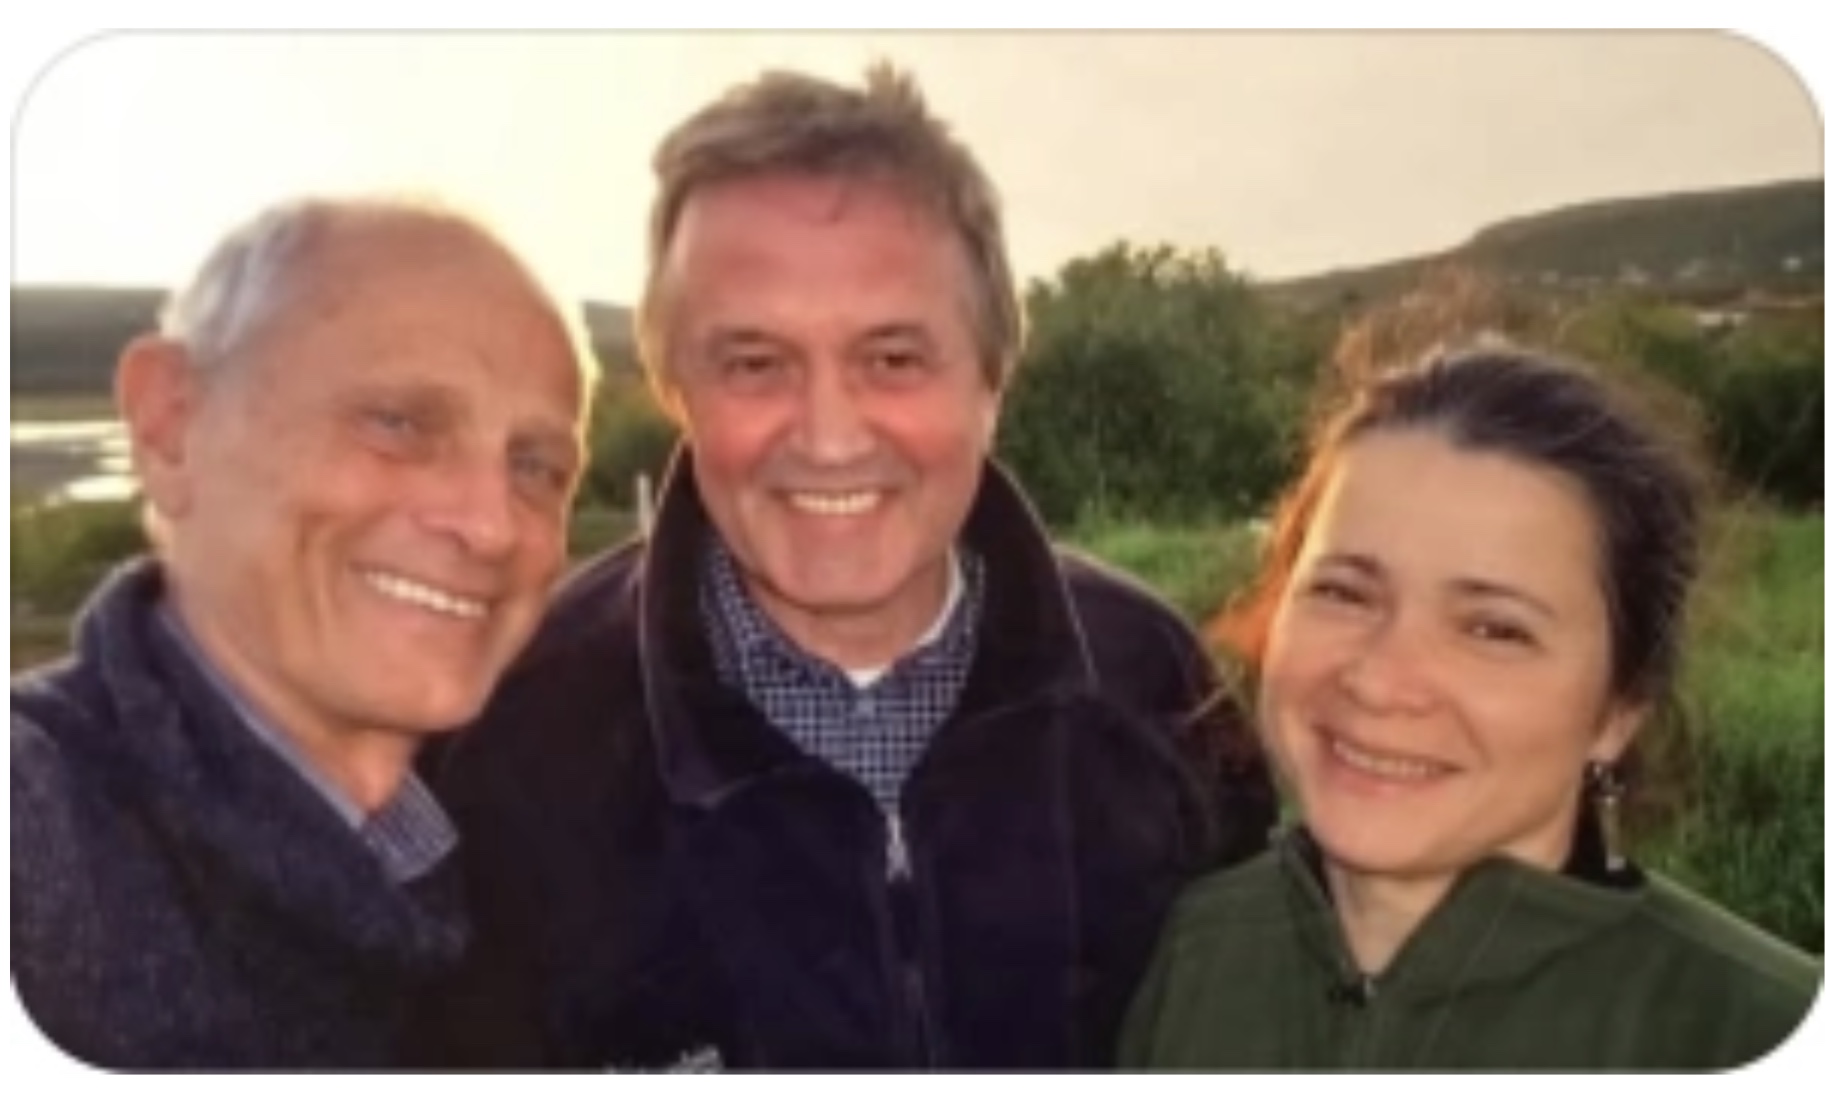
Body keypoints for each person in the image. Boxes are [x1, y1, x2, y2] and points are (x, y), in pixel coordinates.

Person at [425, 62, 1275, 1069]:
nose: (828, 439)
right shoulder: (511, 747)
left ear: (991, 382)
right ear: (674, 388)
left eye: (892, 360)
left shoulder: (1154, 689)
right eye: (755, 364)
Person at [1119, 344, 1822, 1070]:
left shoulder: (1758, 1032)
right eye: (1344, 592)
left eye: (1494, 630)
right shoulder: (1192, 953)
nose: (1379, 682)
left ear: (1620, 709)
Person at [10, 195, 593, 1068]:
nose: (492, 525)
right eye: (397, 423)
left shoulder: (537, 827)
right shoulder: (39, 834)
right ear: (170, 427)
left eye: (536, 466)